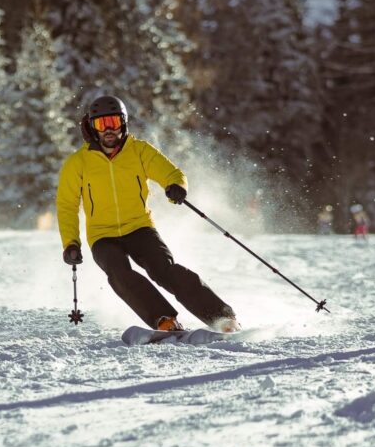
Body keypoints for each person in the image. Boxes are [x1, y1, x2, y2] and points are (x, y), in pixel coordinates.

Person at [55, 95, 239, 333]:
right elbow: (67, 205)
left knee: (164, 270)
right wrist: (71, 242)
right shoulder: (77, 163)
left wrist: (176, 186)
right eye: (102, 124)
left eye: (113, 122)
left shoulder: (139, 151)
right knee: (119, 274)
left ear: (123, 123)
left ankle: (222, 317)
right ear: (92, 127)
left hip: (139, 227)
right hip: (102, 236)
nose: (108, 129)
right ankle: (164, 320)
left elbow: (171, 172)